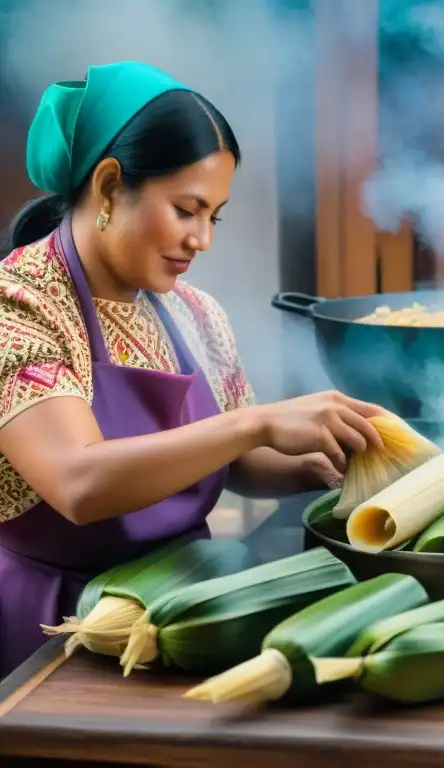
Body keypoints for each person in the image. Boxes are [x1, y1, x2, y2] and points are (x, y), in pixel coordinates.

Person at [0, 62, 389, 678]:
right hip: (58, 632)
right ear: (106, 188)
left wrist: (334, 462)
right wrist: (256, 424)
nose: (202, 239)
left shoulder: (194, 314)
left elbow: (234, 460)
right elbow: (79, 484)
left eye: (216, 215)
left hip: (189, 608)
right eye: (186, 209)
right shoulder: (20, 305)